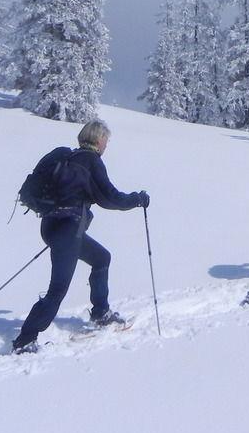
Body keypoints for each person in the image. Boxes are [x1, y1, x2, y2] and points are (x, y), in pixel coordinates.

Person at [12, 120, 149, 354]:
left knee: (101, 258)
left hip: (51, 225)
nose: (107, 145)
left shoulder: (67, 156)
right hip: (69, 230)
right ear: (98, 140)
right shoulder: (92, 162)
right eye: (106, 140)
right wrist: (137, 199)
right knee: (58, 288)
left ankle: (100, 312)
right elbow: (110, 197)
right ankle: (25, 340)